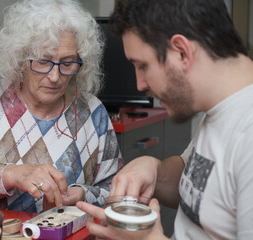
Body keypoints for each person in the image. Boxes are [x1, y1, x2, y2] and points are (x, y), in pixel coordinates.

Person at [76, 0, 253, 239]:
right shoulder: (220, 108)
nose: (141, 85)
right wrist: (155, 170)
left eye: (143, 66)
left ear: (181, 51)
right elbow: (201, 186)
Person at [0, 0, 122, 213]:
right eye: (43, 61)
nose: (55, 77)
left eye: (67, 62)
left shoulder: (92, 112)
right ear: (20, 57)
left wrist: (83, 194)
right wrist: (11, 174)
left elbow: (116, 195)